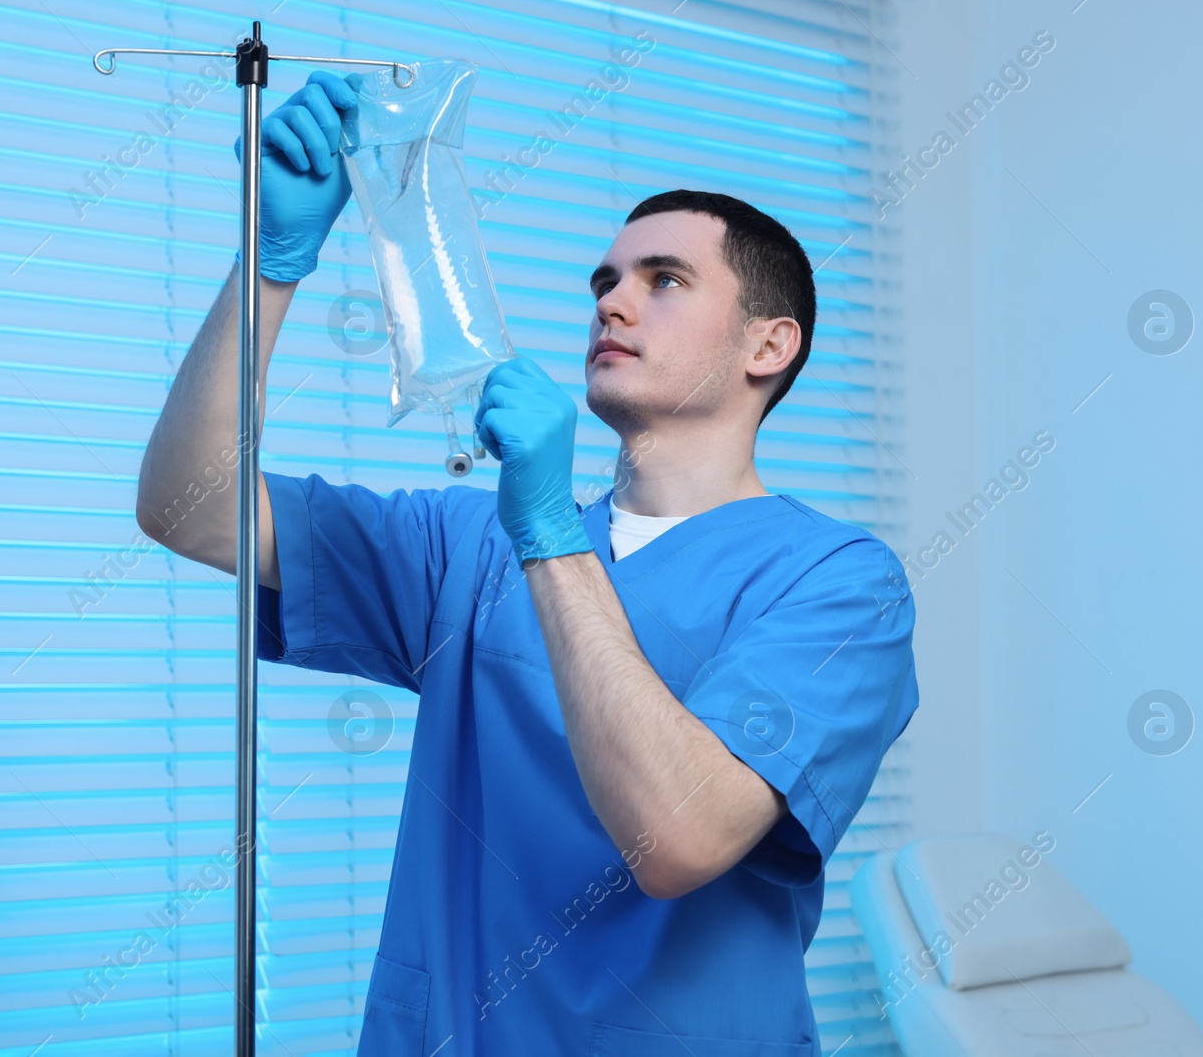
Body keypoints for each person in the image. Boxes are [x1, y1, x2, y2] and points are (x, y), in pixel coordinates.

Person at [137, 71, 920, 1057]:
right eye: (605, 282)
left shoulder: (841, 584)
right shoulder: (465, 546)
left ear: (769, 343)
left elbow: (678, 839)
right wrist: (268, 263)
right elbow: (187, 506)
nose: (613, 303)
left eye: (662, 279)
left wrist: (551, 529)